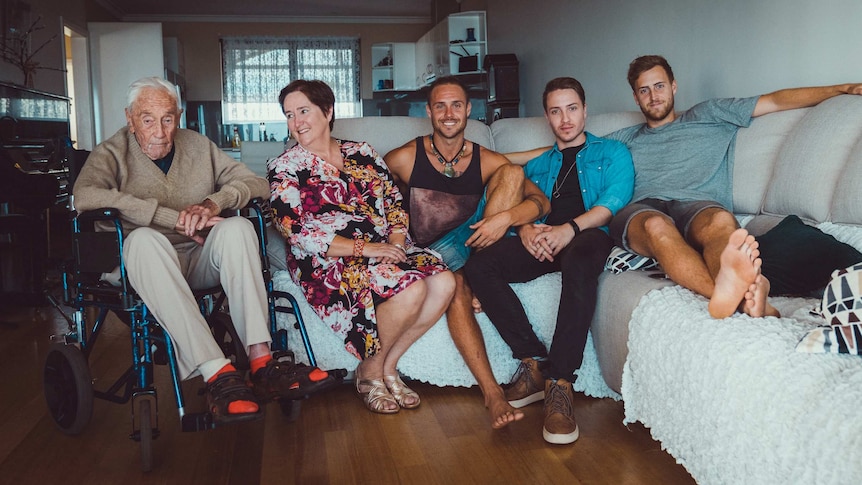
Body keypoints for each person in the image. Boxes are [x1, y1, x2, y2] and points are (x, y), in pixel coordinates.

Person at [74, 77, 340, 425]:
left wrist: (212, 204)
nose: (159, 131)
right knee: (143, 239)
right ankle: (218, 373)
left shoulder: (197, 146)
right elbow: (85, 196)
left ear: (179, 116)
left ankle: (261, 362)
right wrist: (167, 217)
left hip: (197, 258)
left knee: (238, 228)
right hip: (143, 264)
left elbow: (256, 183)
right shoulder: (111, 152)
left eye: (168, 118)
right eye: (147, 119)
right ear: (130, 117)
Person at [604, 55, 862, 319]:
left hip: (697, 204)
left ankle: (736, 297)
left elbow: (774, 100)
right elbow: (575, 153)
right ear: (636, 98)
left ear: (673, 86)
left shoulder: (708, 114)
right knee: (656, 227)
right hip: (644, 209)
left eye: (659, 86)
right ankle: (740, 301)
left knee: (720, 221)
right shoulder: (624, 138)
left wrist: (840, 89)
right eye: (644, 90)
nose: (653, 96)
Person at [268, 80, 455, 414]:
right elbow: (292, 229)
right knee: (410, 290)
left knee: (444, 282)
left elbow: (395, 202)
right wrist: (364, 249)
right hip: (327, 259)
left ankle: (386, 366)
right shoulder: (285, 167)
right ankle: (368, 374)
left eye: (303, 111)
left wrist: (396, 241)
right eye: (289, 115)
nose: (296, 122)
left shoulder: (363, 153)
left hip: (382, 247)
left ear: (327, 111)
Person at [464, 77, 634, 444]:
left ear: (585, 110)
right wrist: (526, 230)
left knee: (580, 260)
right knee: (479, 265)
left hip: (587, 236)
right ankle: (532, 361)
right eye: (556, 111)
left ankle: (560, 384)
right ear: (547, 116)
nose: (565, 118)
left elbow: (612, 204)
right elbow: (518, 205)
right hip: (543, 239)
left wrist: (568, 230)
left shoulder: (613, 153)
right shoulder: (538, 164)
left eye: (572, 108)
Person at [384, 76, 551, 428]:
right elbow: (371, 198)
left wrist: (508, 219)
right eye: (440, 106)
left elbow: (540, 201)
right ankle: (492, 392)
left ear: (468, 111)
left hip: (475, 245)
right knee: (457, 286)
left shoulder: (486, 158)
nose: (448, 113)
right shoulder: (404, 157)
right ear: (429, 111)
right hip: (427, 252)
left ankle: (477, 274)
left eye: (456, 105)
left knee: (512, 173)